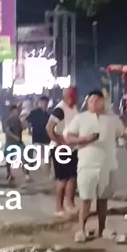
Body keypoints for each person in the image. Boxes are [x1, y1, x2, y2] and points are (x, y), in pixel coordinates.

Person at [65, 90, 127, 242]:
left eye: (97, 100)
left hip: (107, 166)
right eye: (91, 101)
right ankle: (81, 229)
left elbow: (123, 133)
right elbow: (68, 138)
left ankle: (102, 229)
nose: (93, 103)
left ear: (102, 102)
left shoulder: (112, 119)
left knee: (103, 200)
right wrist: (85, 139)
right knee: (85, 199)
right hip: (87, 165)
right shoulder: (80, 118)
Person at [46, 87, 79, 217]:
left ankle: (70, 204)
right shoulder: (59, 109)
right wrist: (59, 141)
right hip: (60, 149)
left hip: (73, 148)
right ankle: (58, 208)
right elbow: (49, 128)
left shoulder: (74, 108)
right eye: (70, 96)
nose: (72, 99)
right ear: (65, 97)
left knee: (72, 177)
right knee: (62, 180)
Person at [3, 103, 28, 183]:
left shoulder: (19, 120)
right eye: (15, 111)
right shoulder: (8, 121)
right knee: (9, 159)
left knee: (24, 157)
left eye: (17, 111)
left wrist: (24, 123)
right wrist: (14, 137)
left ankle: (26, 174)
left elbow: (24, 128)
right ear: (12, 112)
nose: (17, 113)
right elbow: (7, 131)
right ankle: (9, 174)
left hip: (19, 143)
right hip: (10, 142)